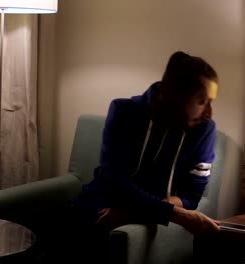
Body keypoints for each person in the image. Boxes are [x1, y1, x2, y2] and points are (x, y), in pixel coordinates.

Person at [49, 51, 221, 262]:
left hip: (134, 215)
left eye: (211, 101)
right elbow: (113, 180)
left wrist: (132, 213)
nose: (209, 112)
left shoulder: (204, 130)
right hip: (98, 204)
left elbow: (191, 196)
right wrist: (175, 214)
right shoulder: (124, 111)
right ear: (177, 96)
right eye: (202, 101)